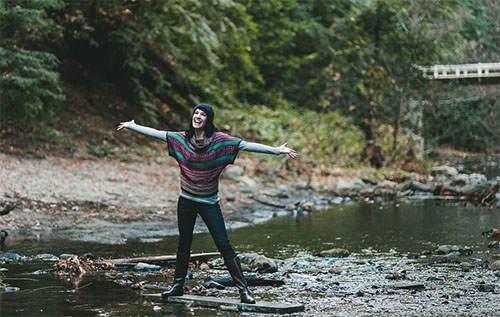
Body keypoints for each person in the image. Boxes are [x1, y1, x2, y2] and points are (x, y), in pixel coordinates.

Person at [117, 104, 297, 304]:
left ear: (208, 120)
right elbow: (158, 134)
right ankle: (177, 286)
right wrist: (133, 126)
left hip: (209, 203)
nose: (198, 116)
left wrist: (277, 151)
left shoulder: (219, 141)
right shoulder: (182, 138)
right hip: (186, 200)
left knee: (223, 244)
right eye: (196, 112)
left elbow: (245, 145)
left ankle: (243, 290)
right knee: (184, 242)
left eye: (202, 114)